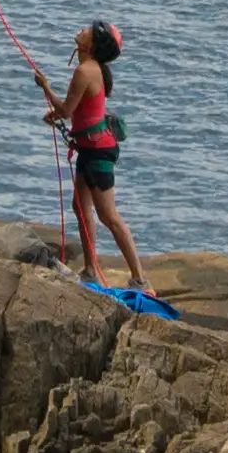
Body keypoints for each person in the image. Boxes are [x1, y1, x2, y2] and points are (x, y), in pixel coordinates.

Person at [40, 18, 145, 294]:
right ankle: (89, 270)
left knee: (108, 215)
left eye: (88, 31)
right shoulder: (89, 70)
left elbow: (66, 109)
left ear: (93, 44)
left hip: (98, 151)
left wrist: (45, 86)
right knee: (80, 206)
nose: (82, 30)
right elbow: (81, 109)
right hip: (89, 148)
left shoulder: (85, 71)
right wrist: (59, 115)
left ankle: (140, 280)